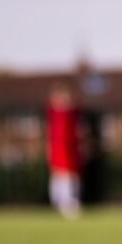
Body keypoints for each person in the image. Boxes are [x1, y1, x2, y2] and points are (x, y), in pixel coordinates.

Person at [45, 82, 82, 218]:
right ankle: (61, 202)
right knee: (60, 176)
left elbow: (76, 107)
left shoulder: (71, 114)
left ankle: (69, 202)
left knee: (71, 177)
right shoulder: (54, 113)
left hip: (70, 149)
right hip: (58, 148)